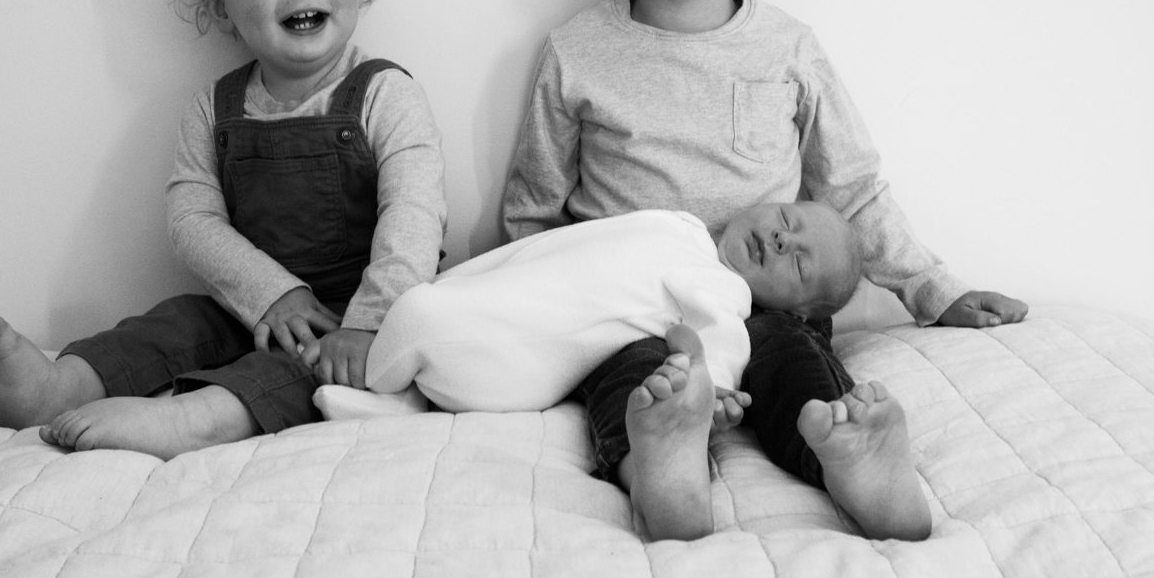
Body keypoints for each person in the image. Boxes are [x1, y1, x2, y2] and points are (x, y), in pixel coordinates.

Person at [500, 0, 1030, 541]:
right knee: (640, 381)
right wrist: (534, 319)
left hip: (768, 303)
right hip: (634, 309)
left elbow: (851, 188)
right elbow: (533, 209)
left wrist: (931, 290)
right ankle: (662, 468)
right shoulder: (576, 52)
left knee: (798, 367)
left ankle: (849, 456)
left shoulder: (786, 50)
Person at [0, 0, 445, 459]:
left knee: (299, 373)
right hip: (249, 304)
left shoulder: (386, 95)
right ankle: (56, 387)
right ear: (219, 5)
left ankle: (196, 419)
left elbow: (415, 216)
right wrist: (269, 293)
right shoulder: (215, 108)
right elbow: (192, 220)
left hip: (356, 313)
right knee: (176, 322)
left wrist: (370, 321)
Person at [314, 200, 858, 423]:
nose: (783, 240)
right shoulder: (682, 225)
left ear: (799, 313)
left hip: (514, 359)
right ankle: (407, 396)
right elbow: (562, 246)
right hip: (505, 298)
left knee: (420, 313)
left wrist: (709, 386)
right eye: (788, 218)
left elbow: (723, 341)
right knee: (433, 304)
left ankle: (383, 386)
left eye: (801, 264)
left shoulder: (726, 292)